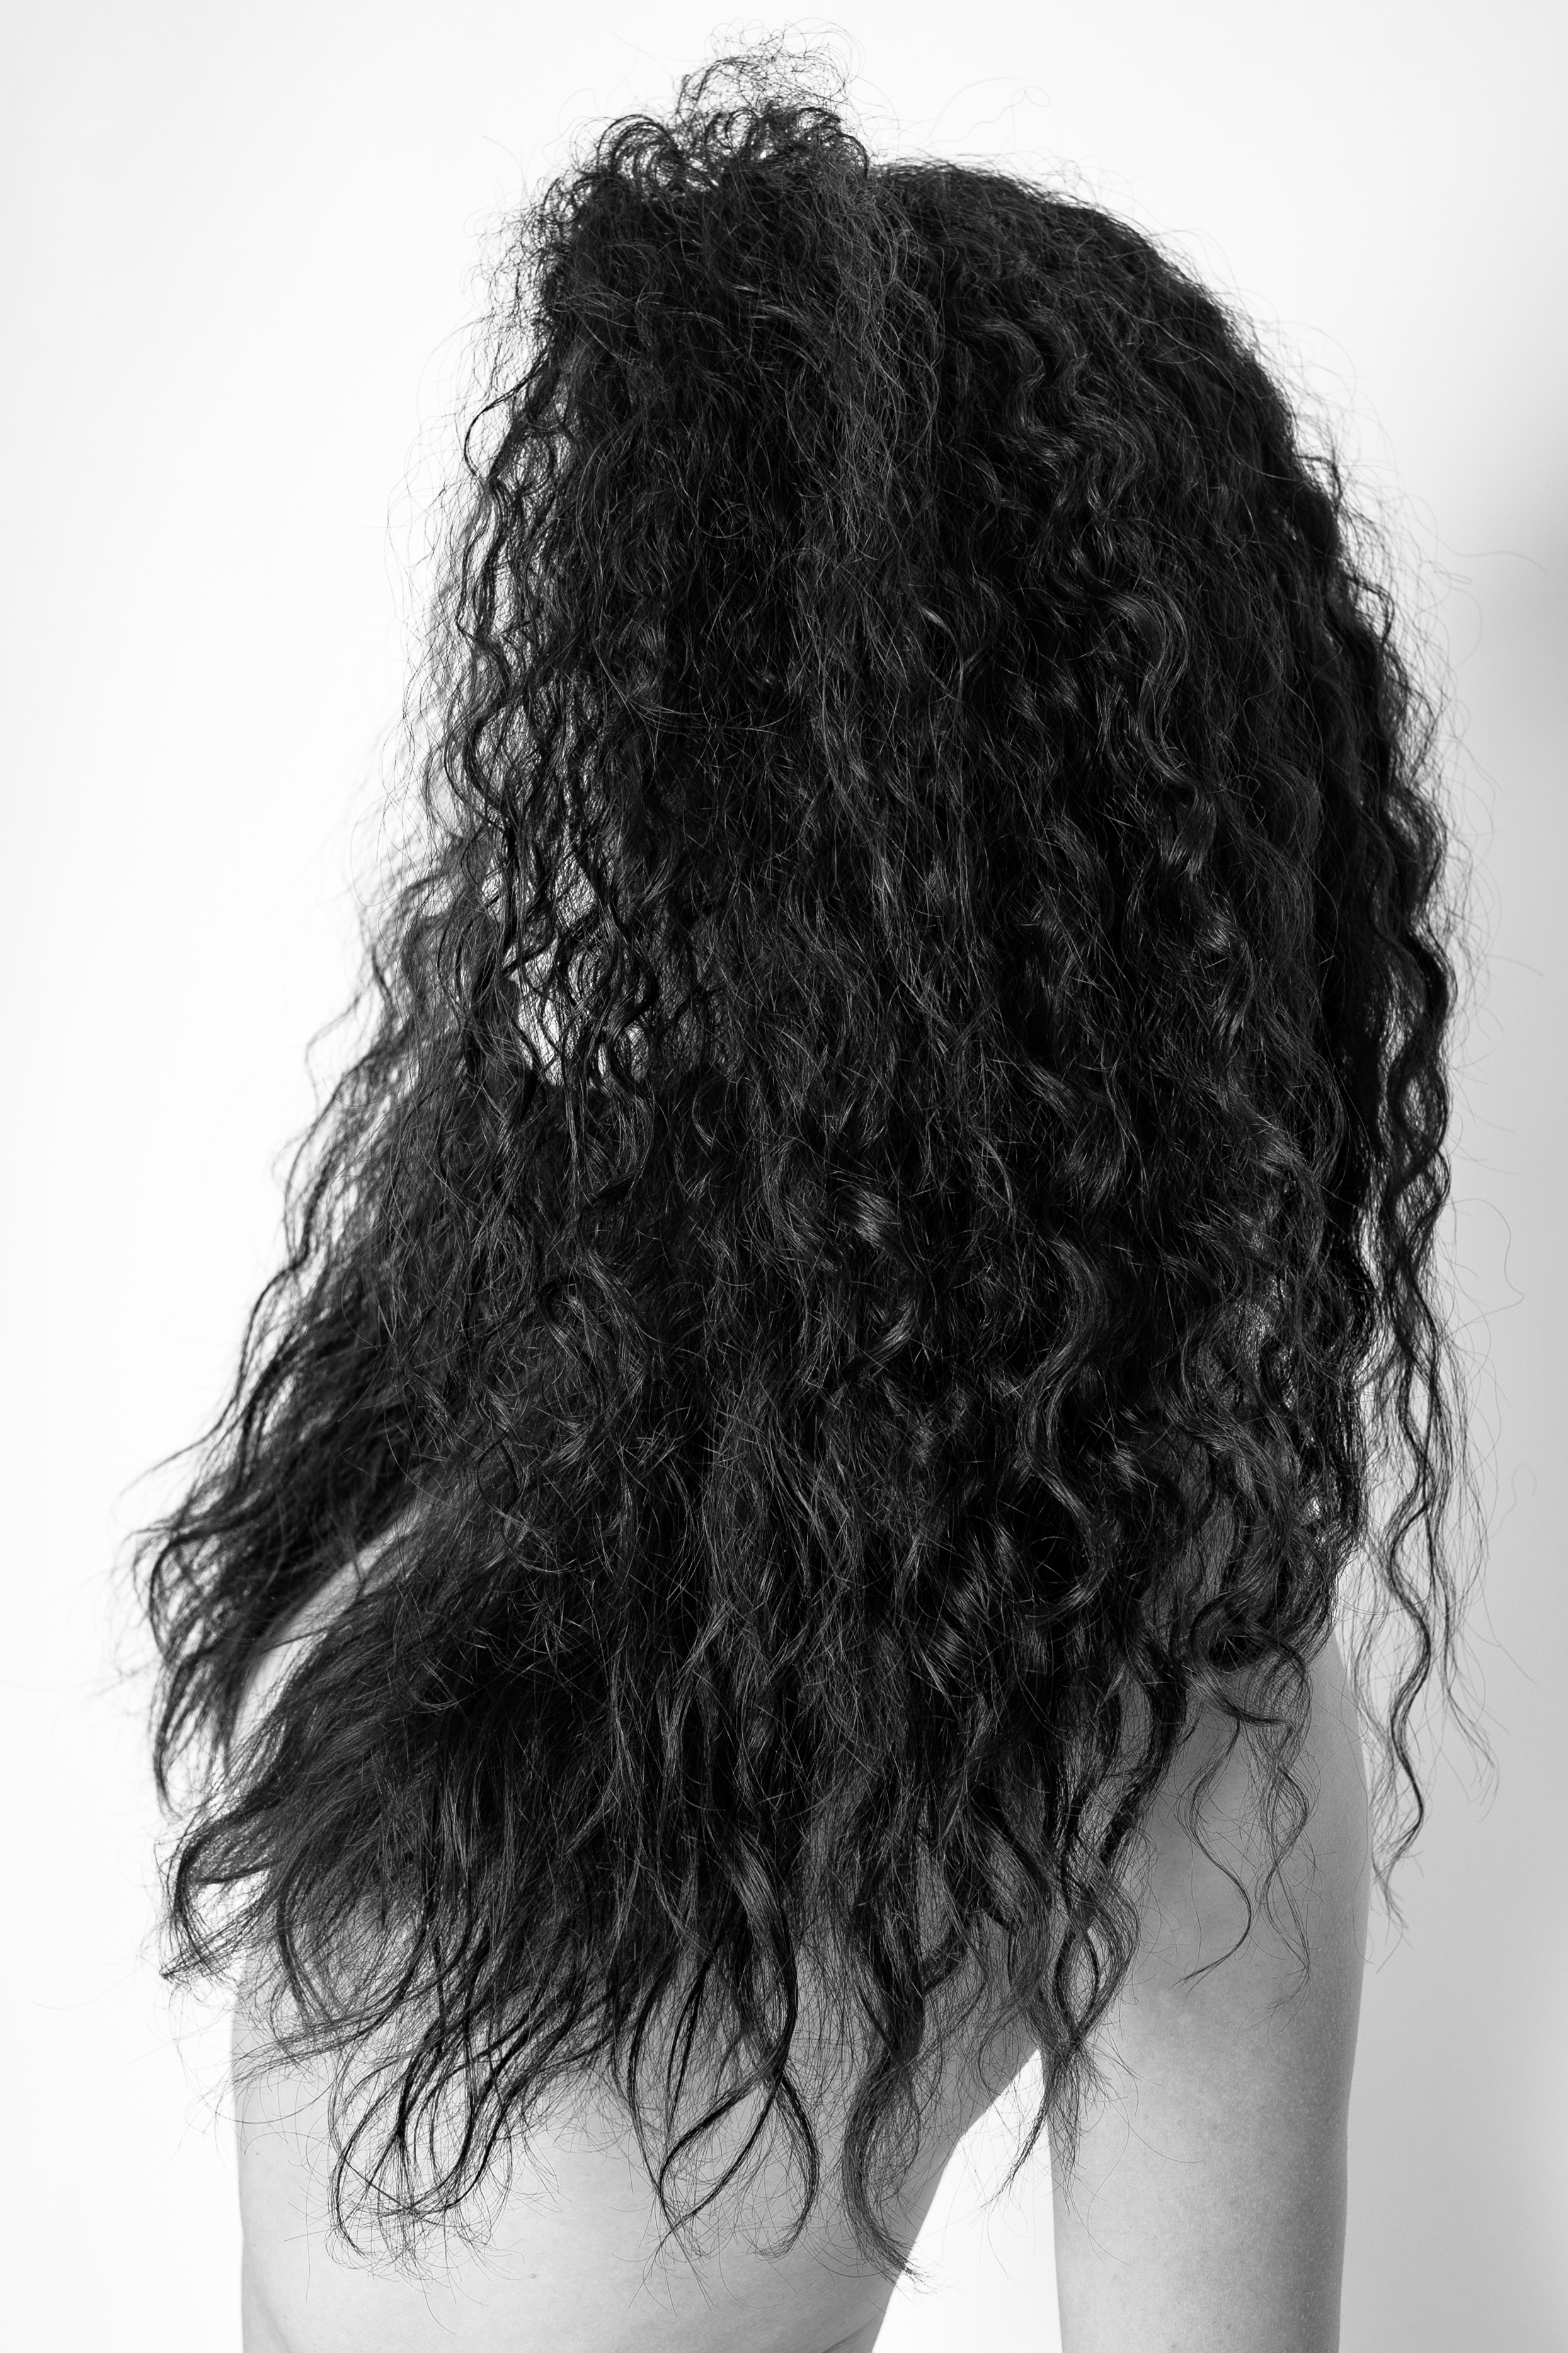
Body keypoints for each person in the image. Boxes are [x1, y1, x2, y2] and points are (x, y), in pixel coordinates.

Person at [137, 43, 1476, 2353]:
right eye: (586, 648)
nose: (556, 759)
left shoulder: (1174, 1681)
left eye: (667, 682)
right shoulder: (483, 1337)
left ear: (928, 817)